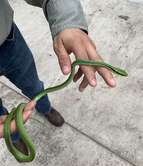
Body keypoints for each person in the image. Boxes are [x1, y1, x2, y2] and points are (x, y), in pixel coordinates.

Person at [0, 0, 116, 154]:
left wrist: (67, 20)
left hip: (7, 41)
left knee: (34, 86)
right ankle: (13, 137)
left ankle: (45, 109)